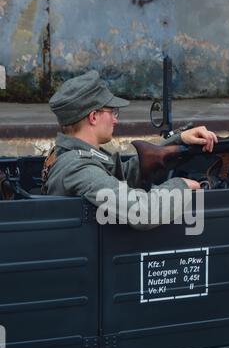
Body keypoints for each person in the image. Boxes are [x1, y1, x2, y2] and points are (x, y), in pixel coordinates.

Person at [45, 70, 217, 229]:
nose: (115, 120)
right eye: (112, 112)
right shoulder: (78, 168)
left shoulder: (76, 154)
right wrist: (180, 186)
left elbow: (119, 177)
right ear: (94, 116)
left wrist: (179, 141)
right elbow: (141, 211)